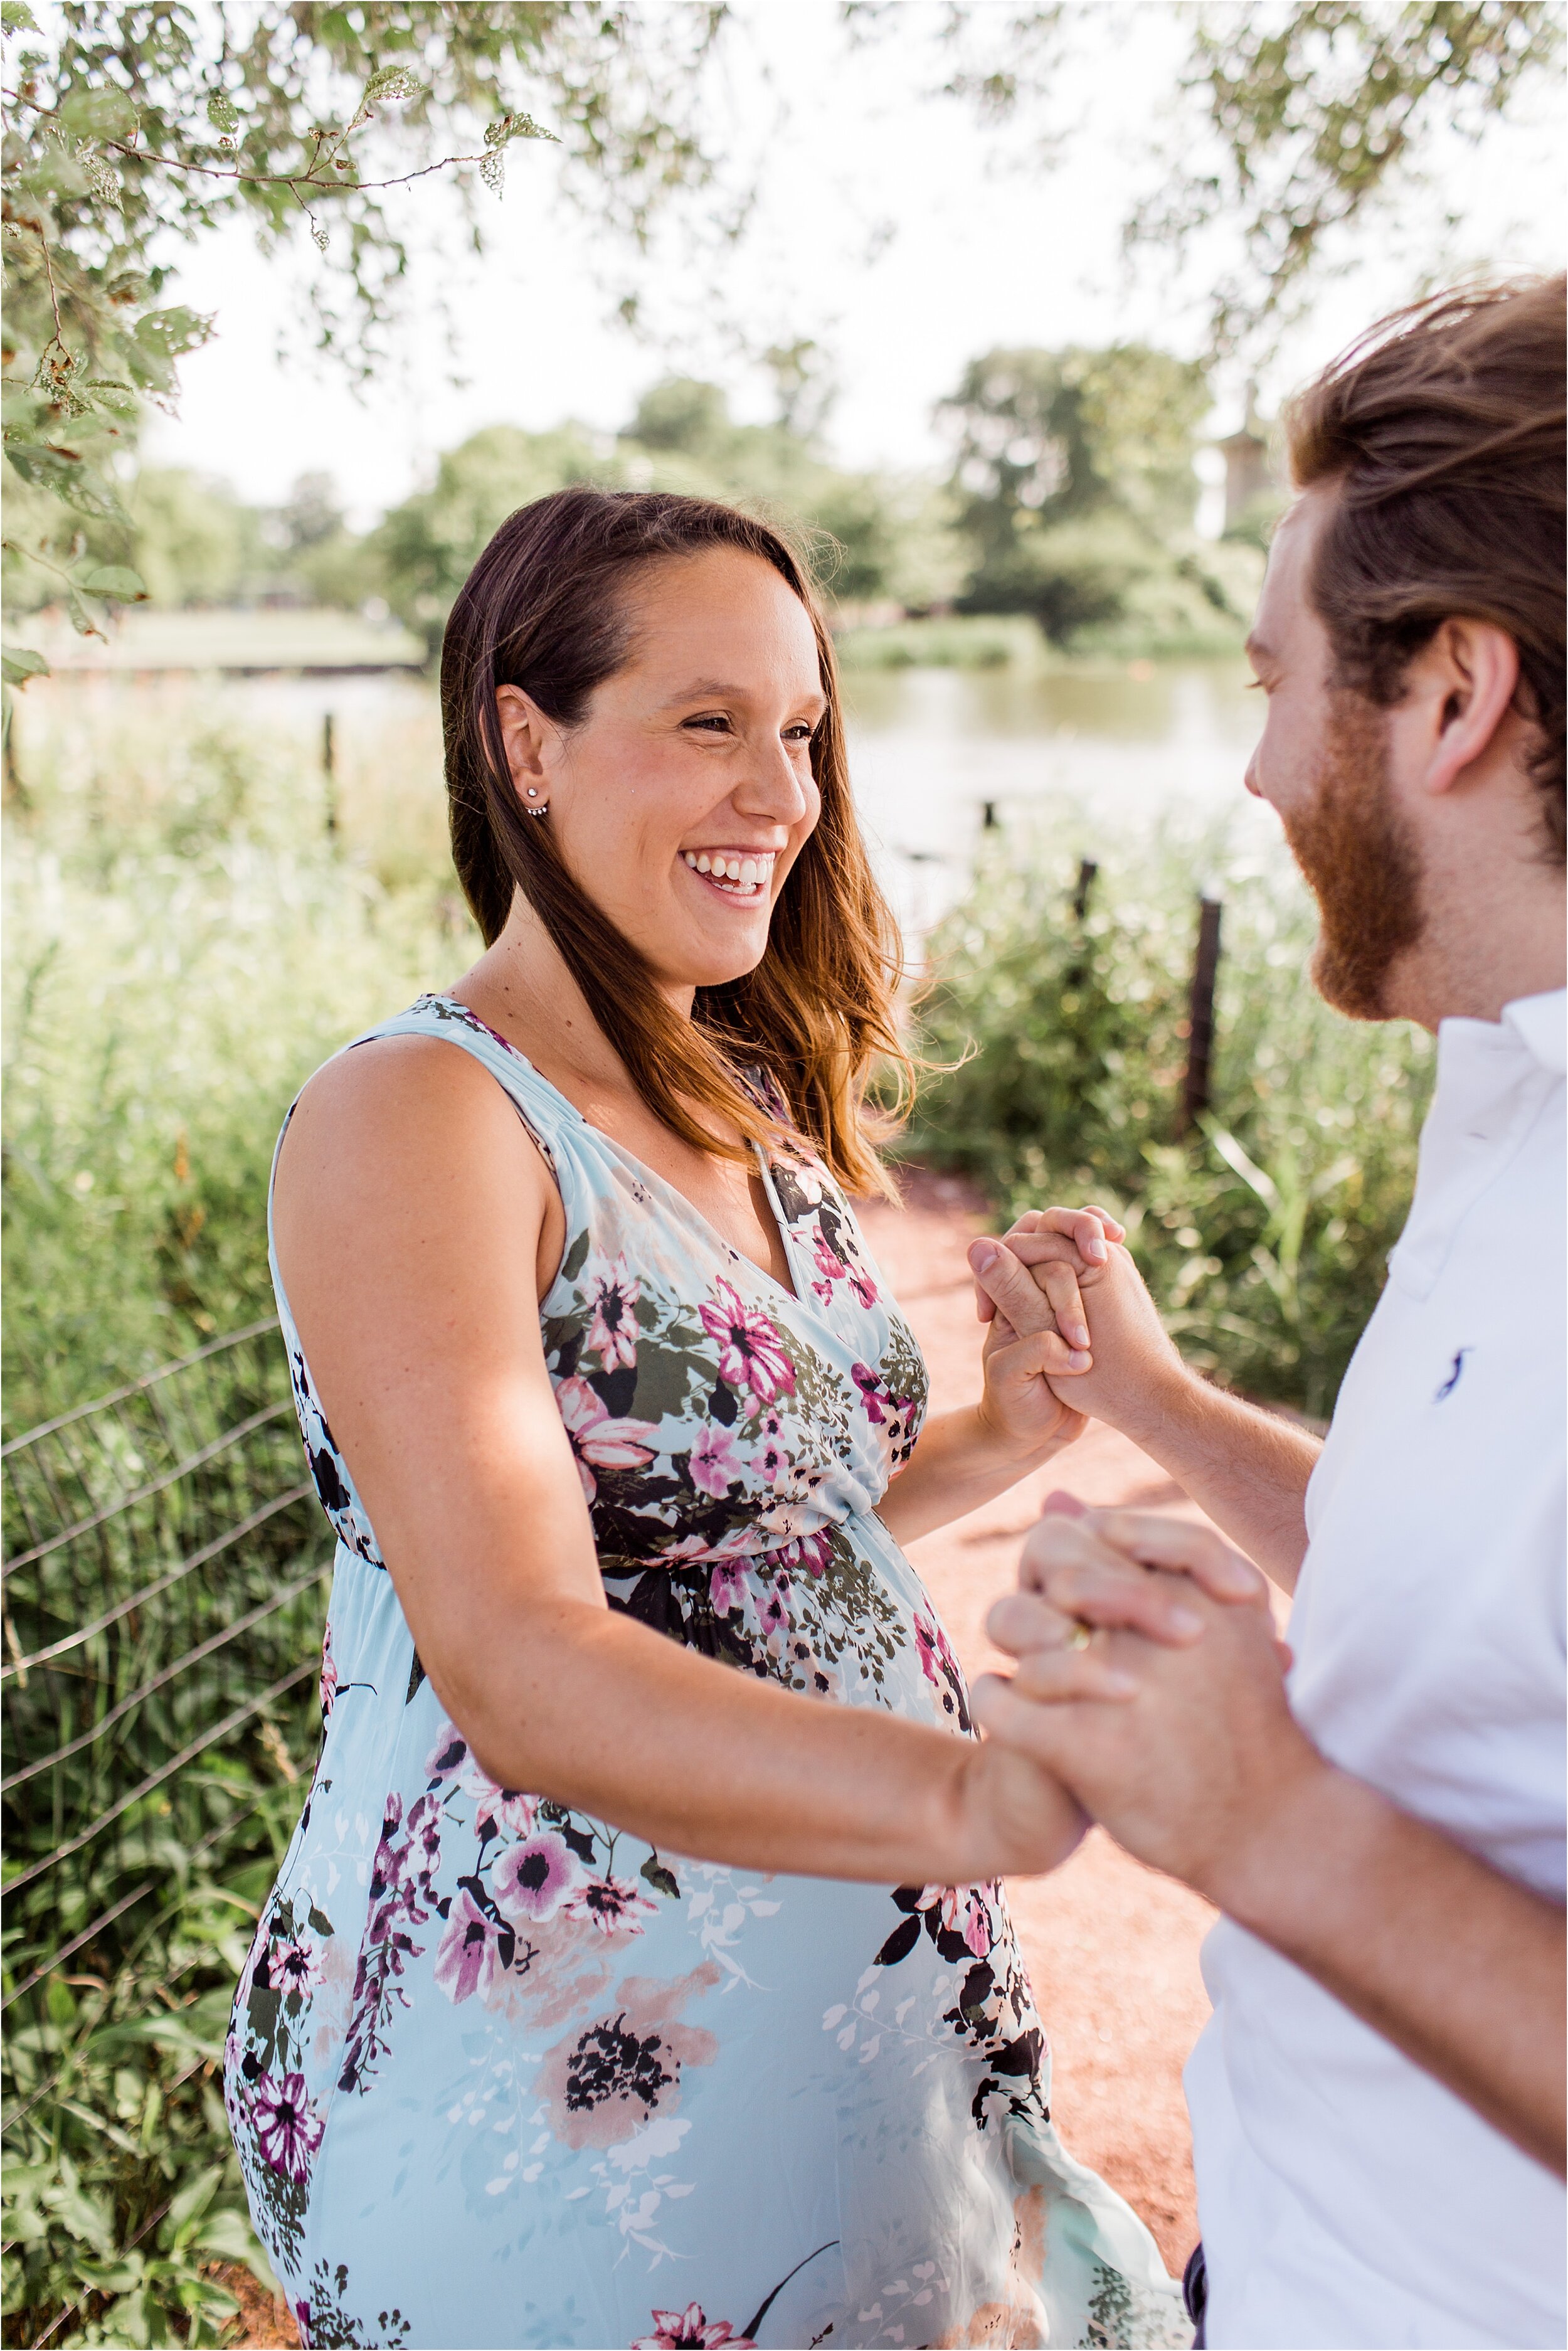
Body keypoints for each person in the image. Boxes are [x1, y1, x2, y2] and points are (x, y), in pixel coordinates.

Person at [224, 486, 1188, 2350]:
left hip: (855, 2033)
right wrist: (976, 1794)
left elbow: (727, 1555)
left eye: (803, 731)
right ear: (525, 737)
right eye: (708, 722)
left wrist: (1000, 1434)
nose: (783, 792)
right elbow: (522, 1656)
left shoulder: (740, 1089)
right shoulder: (424, 1115)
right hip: (573, 2090)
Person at [968, 276, 1566, 2350]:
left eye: (1270, 677)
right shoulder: (1507, 1096)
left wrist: (1267, 1817)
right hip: (1292, 2257)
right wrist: (1153, 1400)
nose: (1246, 768)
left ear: (1451, 696)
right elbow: (1491, 1588)